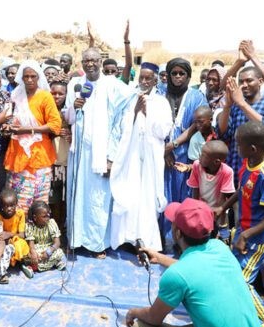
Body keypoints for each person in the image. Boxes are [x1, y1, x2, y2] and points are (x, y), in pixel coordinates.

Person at [125, 198, 261, 327]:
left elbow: (153, 317)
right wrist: (160, 258)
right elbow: (195, 270)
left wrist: (133, 312)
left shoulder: (176, 275)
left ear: (177, 233)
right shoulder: (220, 248)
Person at [64, 47, 135, 256]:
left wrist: (112, 156)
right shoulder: (75, 85)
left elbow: (125, 113)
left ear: (100, 62)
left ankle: (97, 244)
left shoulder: (112, 85)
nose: (90, 64)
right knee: (77, 197)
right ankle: (76, 240)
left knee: (98, 200)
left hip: (101, 153)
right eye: (86, 60)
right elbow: (68, 117)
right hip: (79, 154)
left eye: (94, 60)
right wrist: (74, 107)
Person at [215, 121, 264, 327]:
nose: (236, 148)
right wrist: (223, 207)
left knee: (242, 283)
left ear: (252, 148)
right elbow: (241, 189)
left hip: (259, 238)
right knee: (230, 272)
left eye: (238, 144)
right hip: (245, 231)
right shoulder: (248, 161)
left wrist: (248, 235)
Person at [109, 62, 173, 251]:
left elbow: (163, 130)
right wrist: (136, 111)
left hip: (151, 157)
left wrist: (148, 112)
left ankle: (146, 239)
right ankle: (128, 238)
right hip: (132, 155)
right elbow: (121, 126)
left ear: (155, 80)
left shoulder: (161, 102)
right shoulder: (130, 98)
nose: (144, 81)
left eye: (148, 78)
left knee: (147, 196)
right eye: (141, 78)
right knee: (130, 194)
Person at [2, 61, 61, 213]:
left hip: (40, 154)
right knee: (19, 203)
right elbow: (9, 118)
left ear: (38, 77)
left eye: (32, 76)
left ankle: (37, 235)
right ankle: (20, 235)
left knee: (39, 205)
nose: (29, 80)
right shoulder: (16, 96)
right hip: (18, 154)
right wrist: (9, 128)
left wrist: (28, 130)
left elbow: (55, 125)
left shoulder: (45, 97)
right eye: (26, 76)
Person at [217, 67, 264, 186]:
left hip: (262, 173)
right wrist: (227, 106)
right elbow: (223, 134)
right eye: (241, 82)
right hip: (236, 167)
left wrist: (242, 103)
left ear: (260, 82)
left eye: (249, 80)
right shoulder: (234, 107)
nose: (244, 85)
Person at [162, 58, 208, 206]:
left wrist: (174, 144)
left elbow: (197, 124)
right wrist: (165, 149)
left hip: (186, 153)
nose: (177, 76)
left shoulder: (197, 96)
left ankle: (181, 229)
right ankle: (166, 229)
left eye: (181, 73)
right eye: (173, 73)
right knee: (163, 193)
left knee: (184, 194)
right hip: (161, 153)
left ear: (188, 76)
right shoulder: (159, 94)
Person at [175, 140, 235, 234]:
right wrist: (196, 209)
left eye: (203, 156)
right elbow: (195, 190)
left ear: (216, 161)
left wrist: (216, 215)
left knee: (219, 235)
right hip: (201, 208)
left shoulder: (227, 172)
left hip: (218, 212)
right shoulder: (196, 166)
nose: (200, 156)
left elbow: (222, 198)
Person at [49, 80, 70, 232]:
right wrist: (53, 132)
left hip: (68, 161)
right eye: (53, 93)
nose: (57, 96)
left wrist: (70, 133)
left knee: (66, 198)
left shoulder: (72, 112)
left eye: (60, 93)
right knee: (53, 199)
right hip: (51, 161)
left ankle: (64, 229)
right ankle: (54, 228)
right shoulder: (46, 111)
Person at [23, 200, 66, 276]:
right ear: (35, 217)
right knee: (27, 255)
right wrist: (33, 254)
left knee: (59, 252)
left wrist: (49, 251)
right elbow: (31, 245)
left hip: (49, 247)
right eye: (44, 216)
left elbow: (57, 243)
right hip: (37, 249)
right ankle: (52, 263)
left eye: (48, 215)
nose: (47, 218)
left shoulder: (51, 223)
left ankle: (34, 267)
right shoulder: (30, 226)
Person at [0, 189, 29, 274]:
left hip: (15, 239)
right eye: (6, 206)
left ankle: (21, 263)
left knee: (20, 244)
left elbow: (22, 235)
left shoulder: (20, 214)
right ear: (2, 206)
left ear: (16, 204)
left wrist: (9, 234)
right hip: (4, 242)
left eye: (12, 206)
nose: (9, 209)